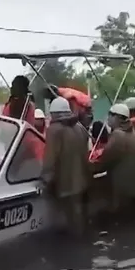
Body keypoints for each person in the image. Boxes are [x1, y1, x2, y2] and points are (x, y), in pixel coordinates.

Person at [40, 97, 91, 236]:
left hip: (65, 182)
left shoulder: (54, 130)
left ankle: (75, 244)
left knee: (69, 221)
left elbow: (50, 157)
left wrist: (45, 180)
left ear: (54, 113)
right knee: (79, 216)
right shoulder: (79, 127)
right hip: (82, 180)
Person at [97, 103, 135, 223]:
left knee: (122, 217)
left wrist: (97, 163)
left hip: (122, 181)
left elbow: (107, 156)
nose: (108, 118)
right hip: (134, 179)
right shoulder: (132, 130)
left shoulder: (118, 134)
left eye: (110, 115)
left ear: (118, 117)